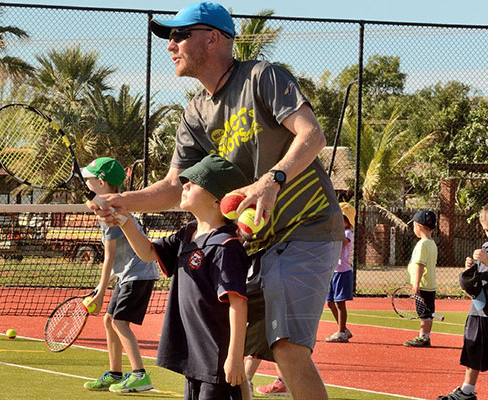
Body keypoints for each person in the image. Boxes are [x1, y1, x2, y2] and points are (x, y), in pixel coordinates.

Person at [90, 3, 345, 398]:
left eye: (179, 35)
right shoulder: (194, 113)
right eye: (169, 37)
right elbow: (175, 186)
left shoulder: (263, 77)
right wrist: (123, 201)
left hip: (306, 229)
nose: (171, 45)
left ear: (213, 38)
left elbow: (311, 135)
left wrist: (272, 181)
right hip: (256, 243)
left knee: (287, 346)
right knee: (235, 352)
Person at [114, 154, 249, 399]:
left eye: (195, 182)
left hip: (216, 361)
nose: (184, 185)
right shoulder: (187, 235)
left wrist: (234, 357)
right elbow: (147, 252)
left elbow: (238, 304)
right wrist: (123, 219)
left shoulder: (225, 246)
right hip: (194, 358)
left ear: (218, 200)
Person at [78, 157, 160, 394]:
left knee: (118, 322)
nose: (86, 186)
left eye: (89, 181)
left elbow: (110, 257)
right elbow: (121, 257)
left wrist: (101, 291)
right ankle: (115, 373)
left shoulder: (109, 214)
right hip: (130, 274)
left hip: (139, 274)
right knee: (108, 320)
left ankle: (139, 375)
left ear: (101, 183)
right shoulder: (106, 209)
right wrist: (105, 285)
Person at [437, 199, 488, 400]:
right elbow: (479, 279)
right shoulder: (487, 247)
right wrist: (470, 268)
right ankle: (467, 390)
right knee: (473, 349)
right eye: (486, 230)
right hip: (479, 309)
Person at [404, 209, 439, 347]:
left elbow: (420, 265)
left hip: (423, 285)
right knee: (428, 313)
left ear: (418, 226)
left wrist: (416, 284)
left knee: (424, 313)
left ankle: (423, 337)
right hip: (430, 285)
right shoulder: (432, 243)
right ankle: (425, 336)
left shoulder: (422, 244)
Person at [325, 202, 357, 343]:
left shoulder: (347, 233)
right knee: (330, 302)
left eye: (342, 218)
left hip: (342, 272)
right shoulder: (335, 233)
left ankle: (341, 332)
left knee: (340, 303)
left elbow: (340, 242)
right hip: (333, 271)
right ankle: (343, 328)